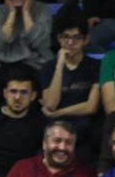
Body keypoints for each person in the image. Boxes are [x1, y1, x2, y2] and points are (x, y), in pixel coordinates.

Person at [40, 15, 102, 156]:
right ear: (58, 38)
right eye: (65, 37)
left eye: (76, 38)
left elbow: (91, 107)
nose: (70, 42)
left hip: (84, 129)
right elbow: (51, 104)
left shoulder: (96, 66)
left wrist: (58, 113)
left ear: (86, 39)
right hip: (55, 129)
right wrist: (60, 65)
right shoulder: (48, 68)